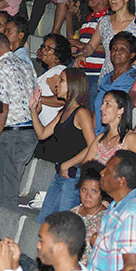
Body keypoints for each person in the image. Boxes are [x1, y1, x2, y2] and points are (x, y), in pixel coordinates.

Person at [30, 67, 95, 222]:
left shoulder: (81, 113)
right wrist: (33, 110)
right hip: (61, 173)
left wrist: (68, 164)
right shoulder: (64, 112)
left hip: (73, 175)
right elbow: (42, 134)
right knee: (44, 221)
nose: (57, 83)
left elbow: (93, 146)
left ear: (73, 85)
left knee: (63, 226)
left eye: (61, 80)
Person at [0, 32, 37, 210]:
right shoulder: (26, 65)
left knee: (7, 195)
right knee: (12, 186)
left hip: (13, 134)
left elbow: (2, 109)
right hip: (31, 132)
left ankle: (4, 234)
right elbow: (37, 103)